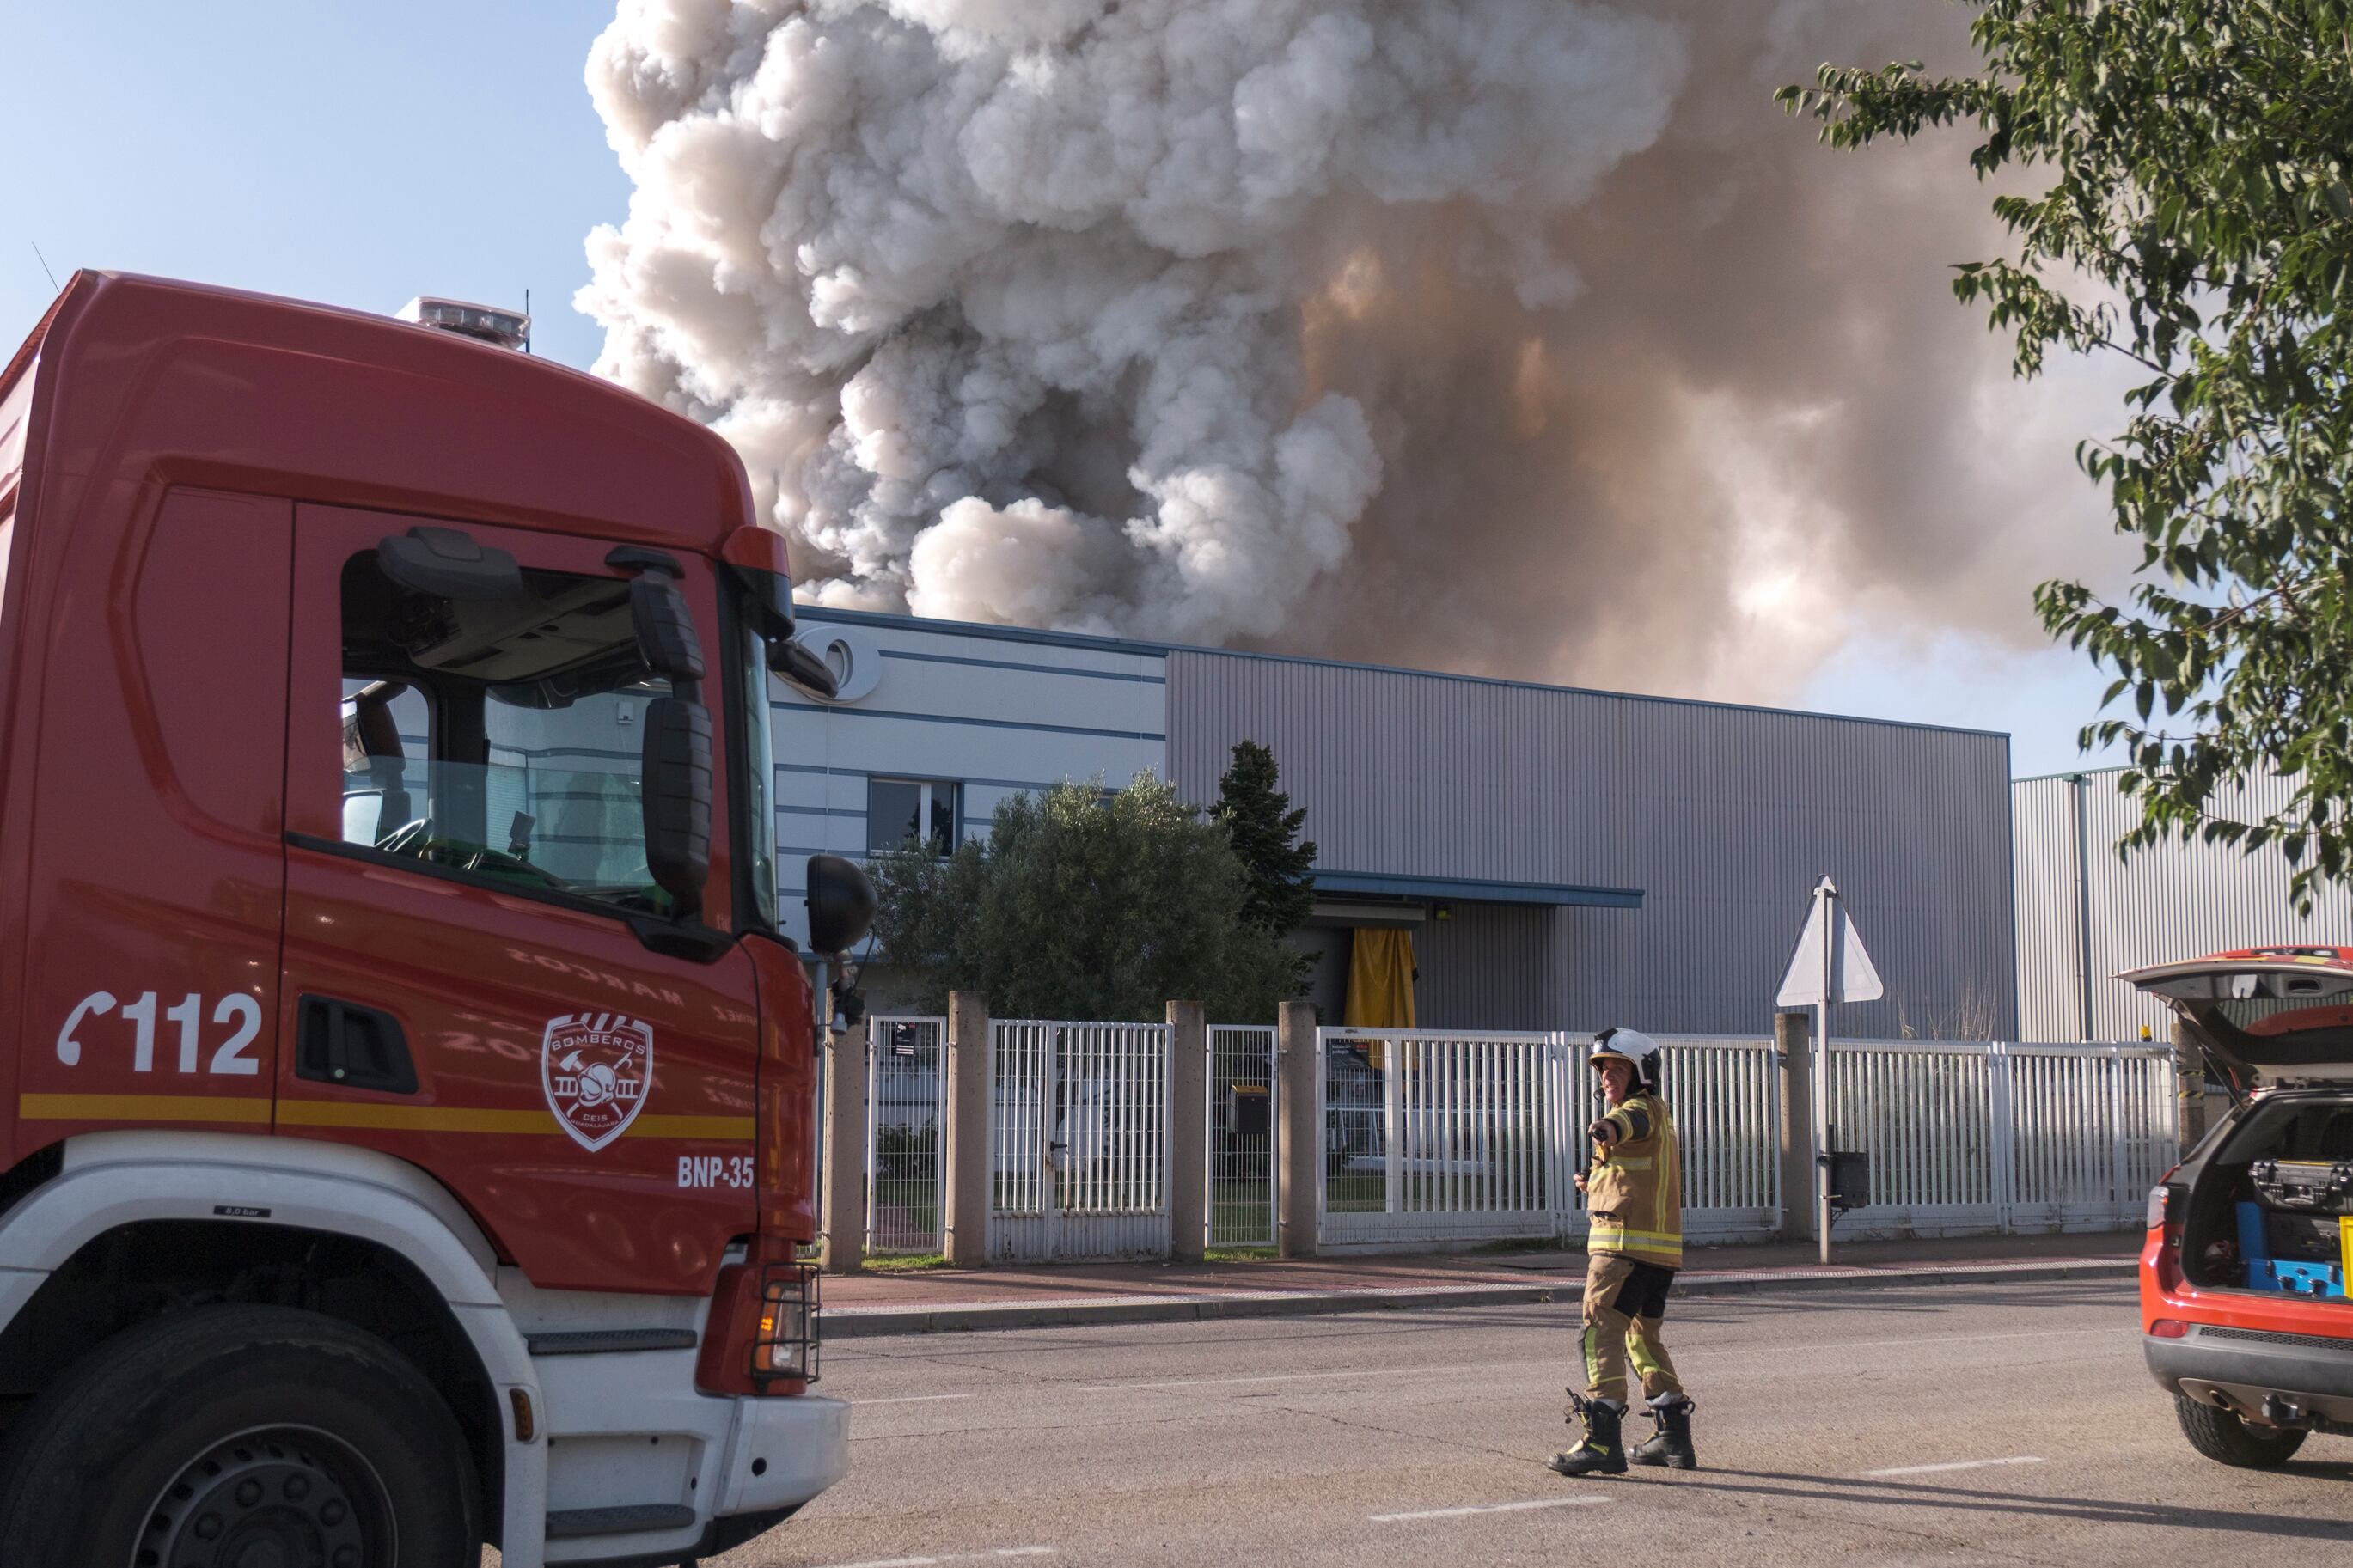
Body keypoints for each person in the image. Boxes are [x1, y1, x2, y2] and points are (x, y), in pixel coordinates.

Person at [1549, 1027, 1696, 1475]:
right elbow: (1634, 1177)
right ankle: (1672, 1438)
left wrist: (1606, 1126)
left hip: (1622, 1254)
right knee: (1640, 1339)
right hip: (1658, 1255)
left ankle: (1601, 1442)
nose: (1607, 1075)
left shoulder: (1638, 1111)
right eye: (1603, 1068)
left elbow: (1625, 1123)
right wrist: (1592, 1180)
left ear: (1640, 1073)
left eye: (1617, 1067)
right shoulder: (1658, 1115)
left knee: (1598, 1333)